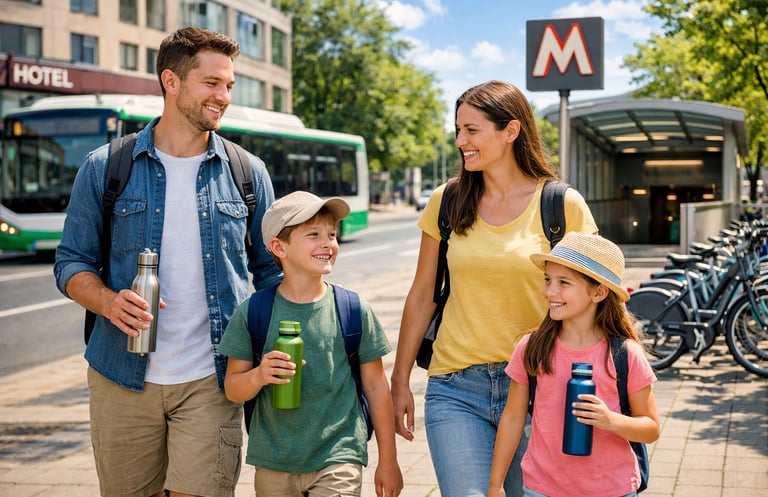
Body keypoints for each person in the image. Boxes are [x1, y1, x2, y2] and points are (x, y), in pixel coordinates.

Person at [53, 27, 282, 497]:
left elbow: (272, 272)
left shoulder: (247, 172)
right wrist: (107, 302)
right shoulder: (105, 167)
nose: (223, 96)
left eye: (228, 86)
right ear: (171, 81)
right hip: (121, 376)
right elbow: (71, 263)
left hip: (213, 379)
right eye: (211, 83)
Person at [390, 80, 598, 497]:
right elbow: (422, 295)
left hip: (538, 385)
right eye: (457, 130)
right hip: (455, 387)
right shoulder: (446, 201)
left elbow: (594, 295)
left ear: (511, 131)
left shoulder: (561, 205)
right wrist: (398, 380)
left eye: (472, 130)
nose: (461, 141)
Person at [218, 191, 403, 497]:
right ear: (279, 247)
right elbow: (232, 388)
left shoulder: (353, 310)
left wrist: (389, 460)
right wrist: (260, 375)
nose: (327, 243)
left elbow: (376, 387)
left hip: (339, 455)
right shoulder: (253, 312)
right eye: (313, 234)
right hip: (274, 460)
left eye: (331, 234)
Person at [487, 232, 660, 497]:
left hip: (612, 489)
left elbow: (650, 429)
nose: (549, 291)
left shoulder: (625, 355)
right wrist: (495, 484)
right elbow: (512, 417)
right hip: (541, 488)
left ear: (599, 292)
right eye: (548, 280)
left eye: (563, 282)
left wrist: (611, 420)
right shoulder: (532, 348)